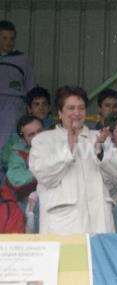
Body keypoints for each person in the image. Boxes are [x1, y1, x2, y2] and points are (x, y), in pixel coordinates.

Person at [29, 86, 115, 234]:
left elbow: (115, 175)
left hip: (100, 222)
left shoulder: (100, 137)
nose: (77, 113)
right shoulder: (43, 140)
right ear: (60, 113)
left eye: (81, 108)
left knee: (97, 257)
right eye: (71, 108)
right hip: (63, 225)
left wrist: (100, 152)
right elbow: (44, 176)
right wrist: (68, 148)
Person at [0, 115, 43, 233]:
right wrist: (43, 171)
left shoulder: (58, 147)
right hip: (28, 205)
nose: (38, 136)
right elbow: (16, 178)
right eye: (31, 134)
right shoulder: (19, 152)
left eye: (40, 131)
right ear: (23, 139)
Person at [0, 20, 35, 152]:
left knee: (9, 141)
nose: (9, 42)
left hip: (14, 106)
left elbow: (31, 87)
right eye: (4, 38)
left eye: (12, 38)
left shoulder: (22, 59)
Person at [1, 86, 54, 171]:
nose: (41, 108)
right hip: (23, 172)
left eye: (44, 104)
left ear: (49, 107)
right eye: (36, 104)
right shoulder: (21, 129)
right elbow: (6, 157)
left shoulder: (55, 128)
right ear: (29, 109)